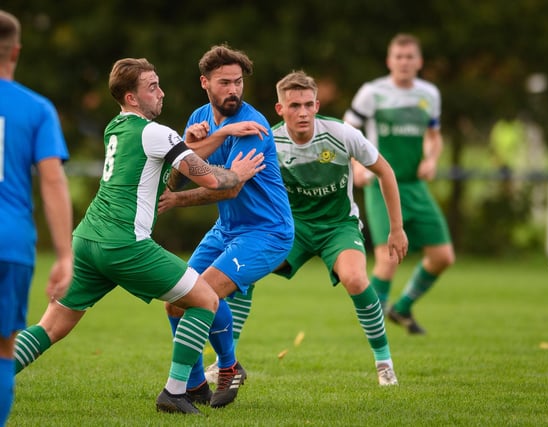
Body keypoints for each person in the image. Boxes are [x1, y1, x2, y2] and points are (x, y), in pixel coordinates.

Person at [10, 57, 265, 415]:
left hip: (87, 240)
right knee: (205, 300)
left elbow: (171, 157)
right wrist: (236, 172)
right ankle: (176, 393)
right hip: (124, 243)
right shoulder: (157, 132)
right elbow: (209, 177)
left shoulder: (115, 127)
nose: (161, 93)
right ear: (132, 97)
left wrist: (218, 135)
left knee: (52, 325)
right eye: (152, 87)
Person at [180, 70, 409, 386]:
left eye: (307, 105)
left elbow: (385, 172)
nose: (302, 112)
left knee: (355, 279)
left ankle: (384, 362)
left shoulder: (342, 134)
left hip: (337, 226)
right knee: (244, 273)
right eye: (294, 106)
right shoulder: (267, 138)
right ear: (280, 109)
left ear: (317, 105)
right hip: (292, 228)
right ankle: (225, 363)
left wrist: (396, 229)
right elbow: (237, 184)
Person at [158, 44, 294, 408]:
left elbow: (229, 187)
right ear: (205, 83)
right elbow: (176, 177)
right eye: (224, 82)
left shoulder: (253, 126)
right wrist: (192, 147)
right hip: (226, 231)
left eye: (238, 82)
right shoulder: (200, 118)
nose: (233, 90)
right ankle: (196, 384)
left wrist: (177, 201)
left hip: (268, 231)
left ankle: (229, 368)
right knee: (175, 302)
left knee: (202, 292)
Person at [343, 33, 455, 335]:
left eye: (410, 57)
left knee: (443, 257)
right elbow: (347, 132)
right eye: (398, 57)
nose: (404, 62)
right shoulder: (372, 92)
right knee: (389, 257)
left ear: (419, 62)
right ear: (389, 60)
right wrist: (357, 166)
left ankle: (402, 308)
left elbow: (434, 136)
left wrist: (431, 159)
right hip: (381, 185)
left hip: (415, 186)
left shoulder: (429, 94)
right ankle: (373, 328)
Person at [0, 10, 73, 425]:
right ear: (17, 51)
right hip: (10, 243)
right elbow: (52, 181)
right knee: (3, 349)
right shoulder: (36, 108)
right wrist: (64, 255)